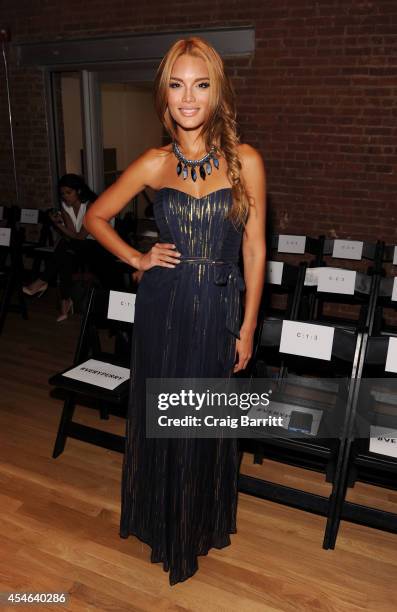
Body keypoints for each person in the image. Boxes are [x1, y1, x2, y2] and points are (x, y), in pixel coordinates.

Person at [84, 36, 266, 585]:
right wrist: (137, 256)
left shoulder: (246, 162)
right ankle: (163, 522)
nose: (189, 97)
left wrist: (250, 324)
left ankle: (196, 521)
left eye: (201, 85)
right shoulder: (153, 162)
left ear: (217, 93)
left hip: (217, 306)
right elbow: (94, 216)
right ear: (165, 94)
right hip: (163, 306)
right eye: (178, 85)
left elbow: (256, 248)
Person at [23, 174, 98, 322]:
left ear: (79, 191)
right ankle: (64, 301)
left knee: (65, 248)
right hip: (78, 246)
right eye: (62, 194)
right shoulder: (65, 206)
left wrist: (60, 227)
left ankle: (43, 282)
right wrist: (58, 223)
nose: (65, 197)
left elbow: (81, 236)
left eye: (69, 193)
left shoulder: (91, 205)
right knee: (66, 254)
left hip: (98, 245)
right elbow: (72, 234)